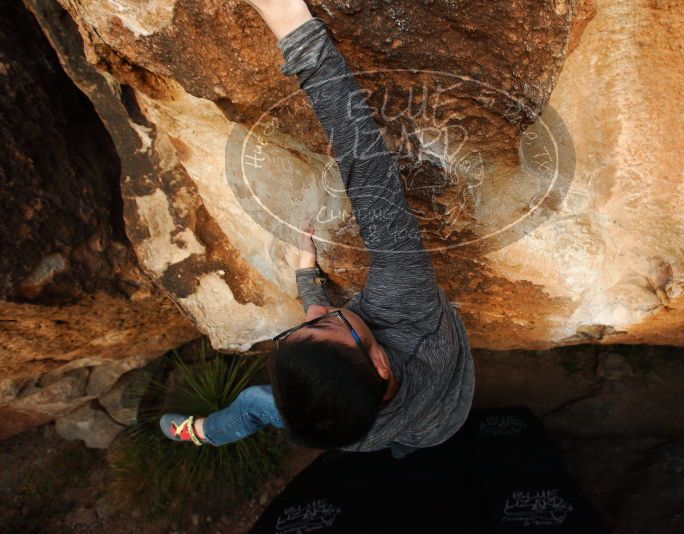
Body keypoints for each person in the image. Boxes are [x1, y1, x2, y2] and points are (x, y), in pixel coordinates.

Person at [160, 0, 475, 460]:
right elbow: (367, 173)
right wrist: (294, 28)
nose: (311, 313)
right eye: (326, 320)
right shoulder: (411, 310)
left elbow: (322, 330)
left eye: (293, 333)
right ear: (381, 362)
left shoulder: (344, 429)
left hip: (387, 428)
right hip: (442, 420)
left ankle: (205, 432)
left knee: (256, 403)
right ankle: (210, 432)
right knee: (259, 402)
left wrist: (309, 279)